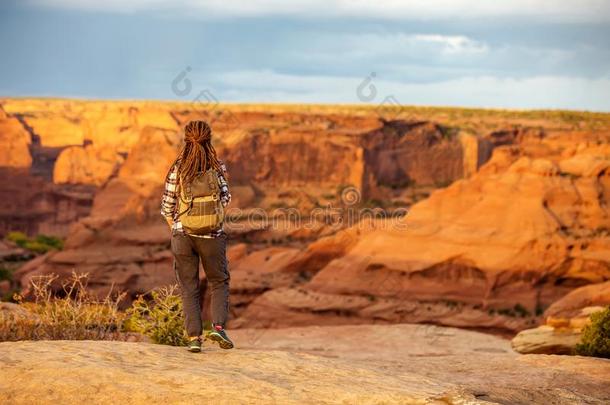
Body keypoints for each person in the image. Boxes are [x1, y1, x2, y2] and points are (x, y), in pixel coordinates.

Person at [160, 120, 234, 353]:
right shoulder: (217, 166)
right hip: (212, 235)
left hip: (183, 234)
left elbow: (167, 206)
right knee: (218, 281)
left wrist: (177, 226)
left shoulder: (178, 168)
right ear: (208, 140)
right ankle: (218, 327)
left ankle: (194, 338)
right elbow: (226, 199)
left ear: (186, 140)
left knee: (189, 286)